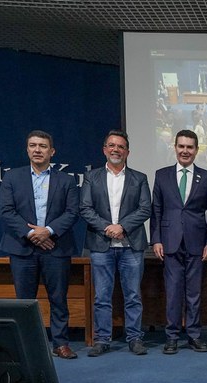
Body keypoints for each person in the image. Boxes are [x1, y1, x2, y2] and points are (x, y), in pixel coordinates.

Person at [0, 130, 80, 360]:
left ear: (51, 152)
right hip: (22, 248)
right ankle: (25, 346)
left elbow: (73, 212)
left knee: (58, 298)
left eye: (42, 146)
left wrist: (48, 231)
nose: (37, 150)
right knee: (24, 301)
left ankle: (60, 343)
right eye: (33, 145)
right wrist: (31, 233)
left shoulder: (67, 180)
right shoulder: (12, 178)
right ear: (27, 149)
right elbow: (6, 211)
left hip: (56, 247)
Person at [80, 130, 151, 357]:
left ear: (127, 152)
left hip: (131, 246)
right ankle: (102, 339)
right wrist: (107, 227)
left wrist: (122, 227)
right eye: (111, 145)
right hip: (101, 245)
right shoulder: (92, 177)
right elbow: (85, 208)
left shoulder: (139, 178)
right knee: (102, 296)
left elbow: (145, 208)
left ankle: (135, 338)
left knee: (133, 295)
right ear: (104, 149)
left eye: (120, 147)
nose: (116, 150)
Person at [150, 129, 207, 354]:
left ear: (196, 150)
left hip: (197, 243)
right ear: (175, 148)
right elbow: (156, 210)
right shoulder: (162, 175)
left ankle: (195, 335)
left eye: (190, 147)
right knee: (173, 290)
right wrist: (156, 239)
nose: (185, 151)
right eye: (181, 146)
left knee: (194, 292)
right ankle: (171, 337)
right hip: (169, 242)